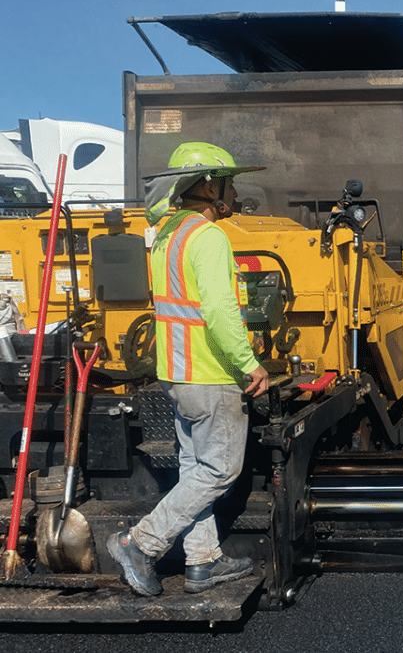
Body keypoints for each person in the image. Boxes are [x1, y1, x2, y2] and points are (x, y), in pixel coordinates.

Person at [107, 142, 270, 597]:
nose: (234, 193)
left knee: (193, 467)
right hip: (210, 372)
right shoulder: (209, 236)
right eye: (229, 184)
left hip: (176, 374)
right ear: (207, 186)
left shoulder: (166, 234)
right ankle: (139, 543)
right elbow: (219, 311)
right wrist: (249, 364)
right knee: (218, 471)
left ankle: (202, 561)